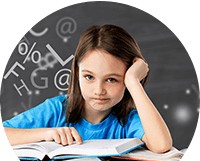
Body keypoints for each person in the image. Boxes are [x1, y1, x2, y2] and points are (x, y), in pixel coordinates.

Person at [3, 25, 172, 153]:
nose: (99, 90)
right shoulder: (56, 109)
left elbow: (162, 145)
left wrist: (133, 81)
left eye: (112, 79)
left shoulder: (128, 121)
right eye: (89, 77)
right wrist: (45, 133)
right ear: (77, 73)